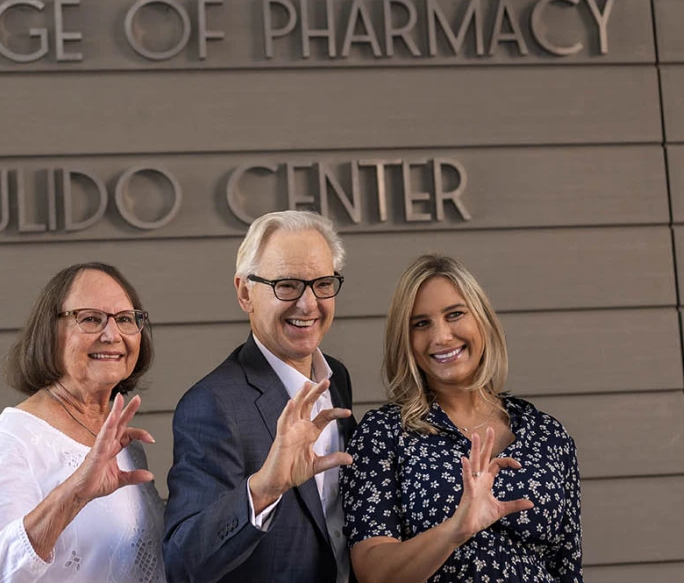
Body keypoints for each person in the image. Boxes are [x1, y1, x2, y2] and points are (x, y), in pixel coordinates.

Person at [340, 254, 582, 583]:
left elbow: (567, 567)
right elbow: (374, 573)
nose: (441, 337)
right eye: (421, 323)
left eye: (455, 314)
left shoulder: (548, 435)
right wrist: (456, 529)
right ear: (406, 340)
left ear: (481, 319)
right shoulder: (383, 434)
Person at [163, 210, 355, 583]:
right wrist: (265, 488)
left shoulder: (337, 376)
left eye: (322, 283)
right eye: (287, 285)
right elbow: (182, 561)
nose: (308, 304)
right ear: (245, 292)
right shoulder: (211, 404)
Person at [0, 262, 165, 583]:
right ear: (50, 333)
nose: (112, 334)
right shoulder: (14, 439)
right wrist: (73, 495)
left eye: (124, 319)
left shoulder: (115, 433)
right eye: (91, 319)